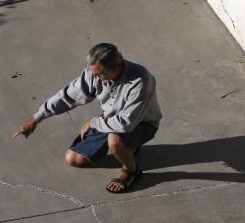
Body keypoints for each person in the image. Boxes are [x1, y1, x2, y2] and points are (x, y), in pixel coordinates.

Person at [13, 43, 162, 193]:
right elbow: (67, 96)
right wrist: (36, 118)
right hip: (110, 121)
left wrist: (93, 122)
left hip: (141, 124)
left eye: (99, 74)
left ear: (115, 67)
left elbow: (125, 124)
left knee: (114, 141)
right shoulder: (94, 73)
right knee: (73, 159)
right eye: (93, 73)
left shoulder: (140, 81)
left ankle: (131, 170)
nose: (94, 77)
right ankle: (129, 148)